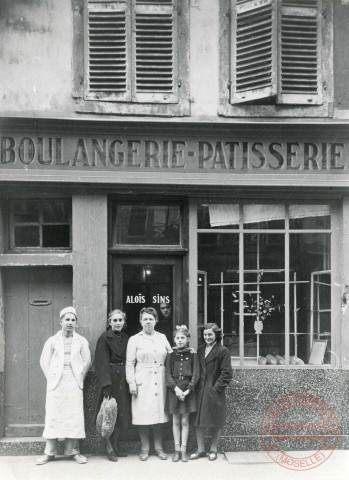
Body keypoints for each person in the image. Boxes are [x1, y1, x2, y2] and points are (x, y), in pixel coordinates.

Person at [36, 306, 91, 465]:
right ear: (60, 321)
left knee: (73, 416)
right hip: (56, 383)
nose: (70, 323)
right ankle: (49, 452)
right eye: (67, 319)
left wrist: (80, 377)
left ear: (76, 323)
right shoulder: (52, 341)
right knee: (54, 416)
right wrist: (51, 377)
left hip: (74, 381)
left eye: (73, 320)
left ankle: (73, 451)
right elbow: (43, 361)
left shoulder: (81, 341)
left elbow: (87, 361)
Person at [126, 307, 172, 461]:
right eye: (145, 319)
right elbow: (129, 363)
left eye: (151, 319)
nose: (148, 322)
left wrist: (187, 351)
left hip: (160, 378)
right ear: (140, 321)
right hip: (142, 380)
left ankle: (159, 447)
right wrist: (131, 382)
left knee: (159, 414)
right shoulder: (134, 339)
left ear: (156, 321)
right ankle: (145, 448)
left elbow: (172, 356)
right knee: (143, 414)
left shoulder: (162, 337)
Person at [190, 323, 232, 462]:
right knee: (198, 421)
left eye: (210, 335)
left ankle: (213, 449)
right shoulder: (200, 350)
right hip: (200, 390)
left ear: (216, 335)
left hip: (214, 391)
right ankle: (201, 449)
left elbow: (226, 373)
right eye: (205, 334)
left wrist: (215, 389)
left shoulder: (222, 351)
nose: (207, 337)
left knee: (216, 420)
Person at [94, 309, 131, 462]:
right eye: (114, 321)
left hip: (123, 377)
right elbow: (101, 362)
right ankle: (108, 446)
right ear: (109, 322)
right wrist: (106, 385)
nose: (117, 323)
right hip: (110, 379)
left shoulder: (127, 338)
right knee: (108, 413)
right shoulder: (104, 338)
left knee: (121, 413)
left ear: (124, 322)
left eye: (120, 320)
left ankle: (115, 445)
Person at [165, 325, 199, 463]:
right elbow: (167, 374)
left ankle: (184, 450)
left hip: (187, 392)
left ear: (188, 339)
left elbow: (196, 374)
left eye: (183, 338)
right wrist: (176, 389)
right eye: (177, 338)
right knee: (176, 421)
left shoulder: (192, 354)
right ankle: (176, 450)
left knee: (185, 421)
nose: (180, 340)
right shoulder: (171, 355)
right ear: (174, 339)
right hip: (175, 392)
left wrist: (187, 390)